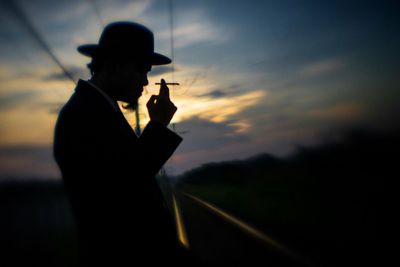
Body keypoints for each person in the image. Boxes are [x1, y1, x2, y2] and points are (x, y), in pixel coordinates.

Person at [53, 21, 184, 266]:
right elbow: (125, 184)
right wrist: (158, 126)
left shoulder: (98, 108)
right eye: (141, 69)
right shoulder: (83, 114)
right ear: (114, 65)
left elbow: (125, 170)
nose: (145, 82)